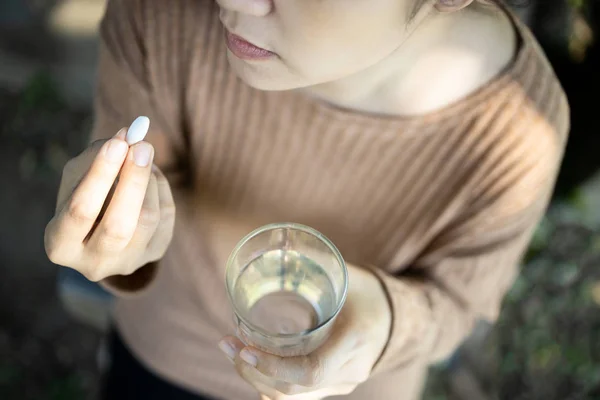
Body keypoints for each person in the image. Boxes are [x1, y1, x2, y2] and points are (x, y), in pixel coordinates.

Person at [44, 0, 569, 399]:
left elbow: (457, 303)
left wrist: (391, 320)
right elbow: (140, 200)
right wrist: (116, 235)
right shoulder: (160, 17)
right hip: (166, 358)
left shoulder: (518, 130)